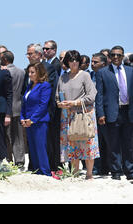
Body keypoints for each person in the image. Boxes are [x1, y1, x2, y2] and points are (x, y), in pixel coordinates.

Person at [56, 50, 99, 180]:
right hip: (67, 115)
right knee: (72, 146)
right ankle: (74, 173)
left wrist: (74, 102)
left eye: (76, 59)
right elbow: (57, 97)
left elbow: (91, 96)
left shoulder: (85, 75)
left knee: (87, 143)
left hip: (83, 115)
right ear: (67, 62)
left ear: (79, 61)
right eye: (71, 60)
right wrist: (60, 104)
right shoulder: (62, 77)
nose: (74, 62)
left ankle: (89, 174)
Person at [95, 46, 133, 181]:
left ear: (123, 56)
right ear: (109, 57)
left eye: (118, 55)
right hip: (112, 112)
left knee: (128, 143)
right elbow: (99, 95)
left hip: (129, 111)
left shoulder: (132, 72)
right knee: (113, 144)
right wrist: (100, 113)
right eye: (113, 55)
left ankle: (130, 171)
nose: (116, 57)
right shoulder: (102, 72)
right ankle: (116, 172)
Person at [24, 43, 60, 172]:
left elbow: (47, 94)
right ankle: (34, 167)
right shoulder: (28, 70)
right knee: (32, 145)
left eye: (30, 53)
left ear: (39, 55)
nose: (28, 56)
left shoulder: (47, 68)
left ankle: (49, 168)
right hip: (30, 115)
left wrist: (39, 114)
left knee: (45, 144)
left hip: (44, 114)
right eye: (27, 54)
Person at [21, 62, 52, 176]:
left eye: (32, 72)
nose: (29, 74)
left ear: (39, 72)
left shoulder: (45, 85)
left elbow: (43, 105)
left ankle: (45, 172)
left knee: (40, 147)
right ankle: (37, 171)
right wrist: (22, 118)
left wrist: (32, 119)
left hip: (39, 122)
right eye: (28, 72)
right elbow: (24, 103)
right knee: (32, 148)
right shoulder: (30, 86)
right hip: (28, 122)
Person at [1, 50, 26, 167]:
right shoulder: (22, 72)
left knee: (7, 136)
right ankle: (20, 161)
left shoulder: (3, 72)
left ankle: (8, 160)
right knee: (19, 137)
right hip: (19, 106)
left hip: (7, 107)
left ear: (5, 60)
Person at [90, 53, 110, 175]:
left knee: (108, 142)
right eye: (92, 62)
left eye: (95, 62)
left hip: (105, 114)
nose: (92, 64)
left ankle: (109, 167)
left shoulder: (109, 75)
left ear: (103, 64)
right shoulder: (90, 76)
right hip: (92, 114)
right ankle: (97, 168)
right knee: (95, 143)